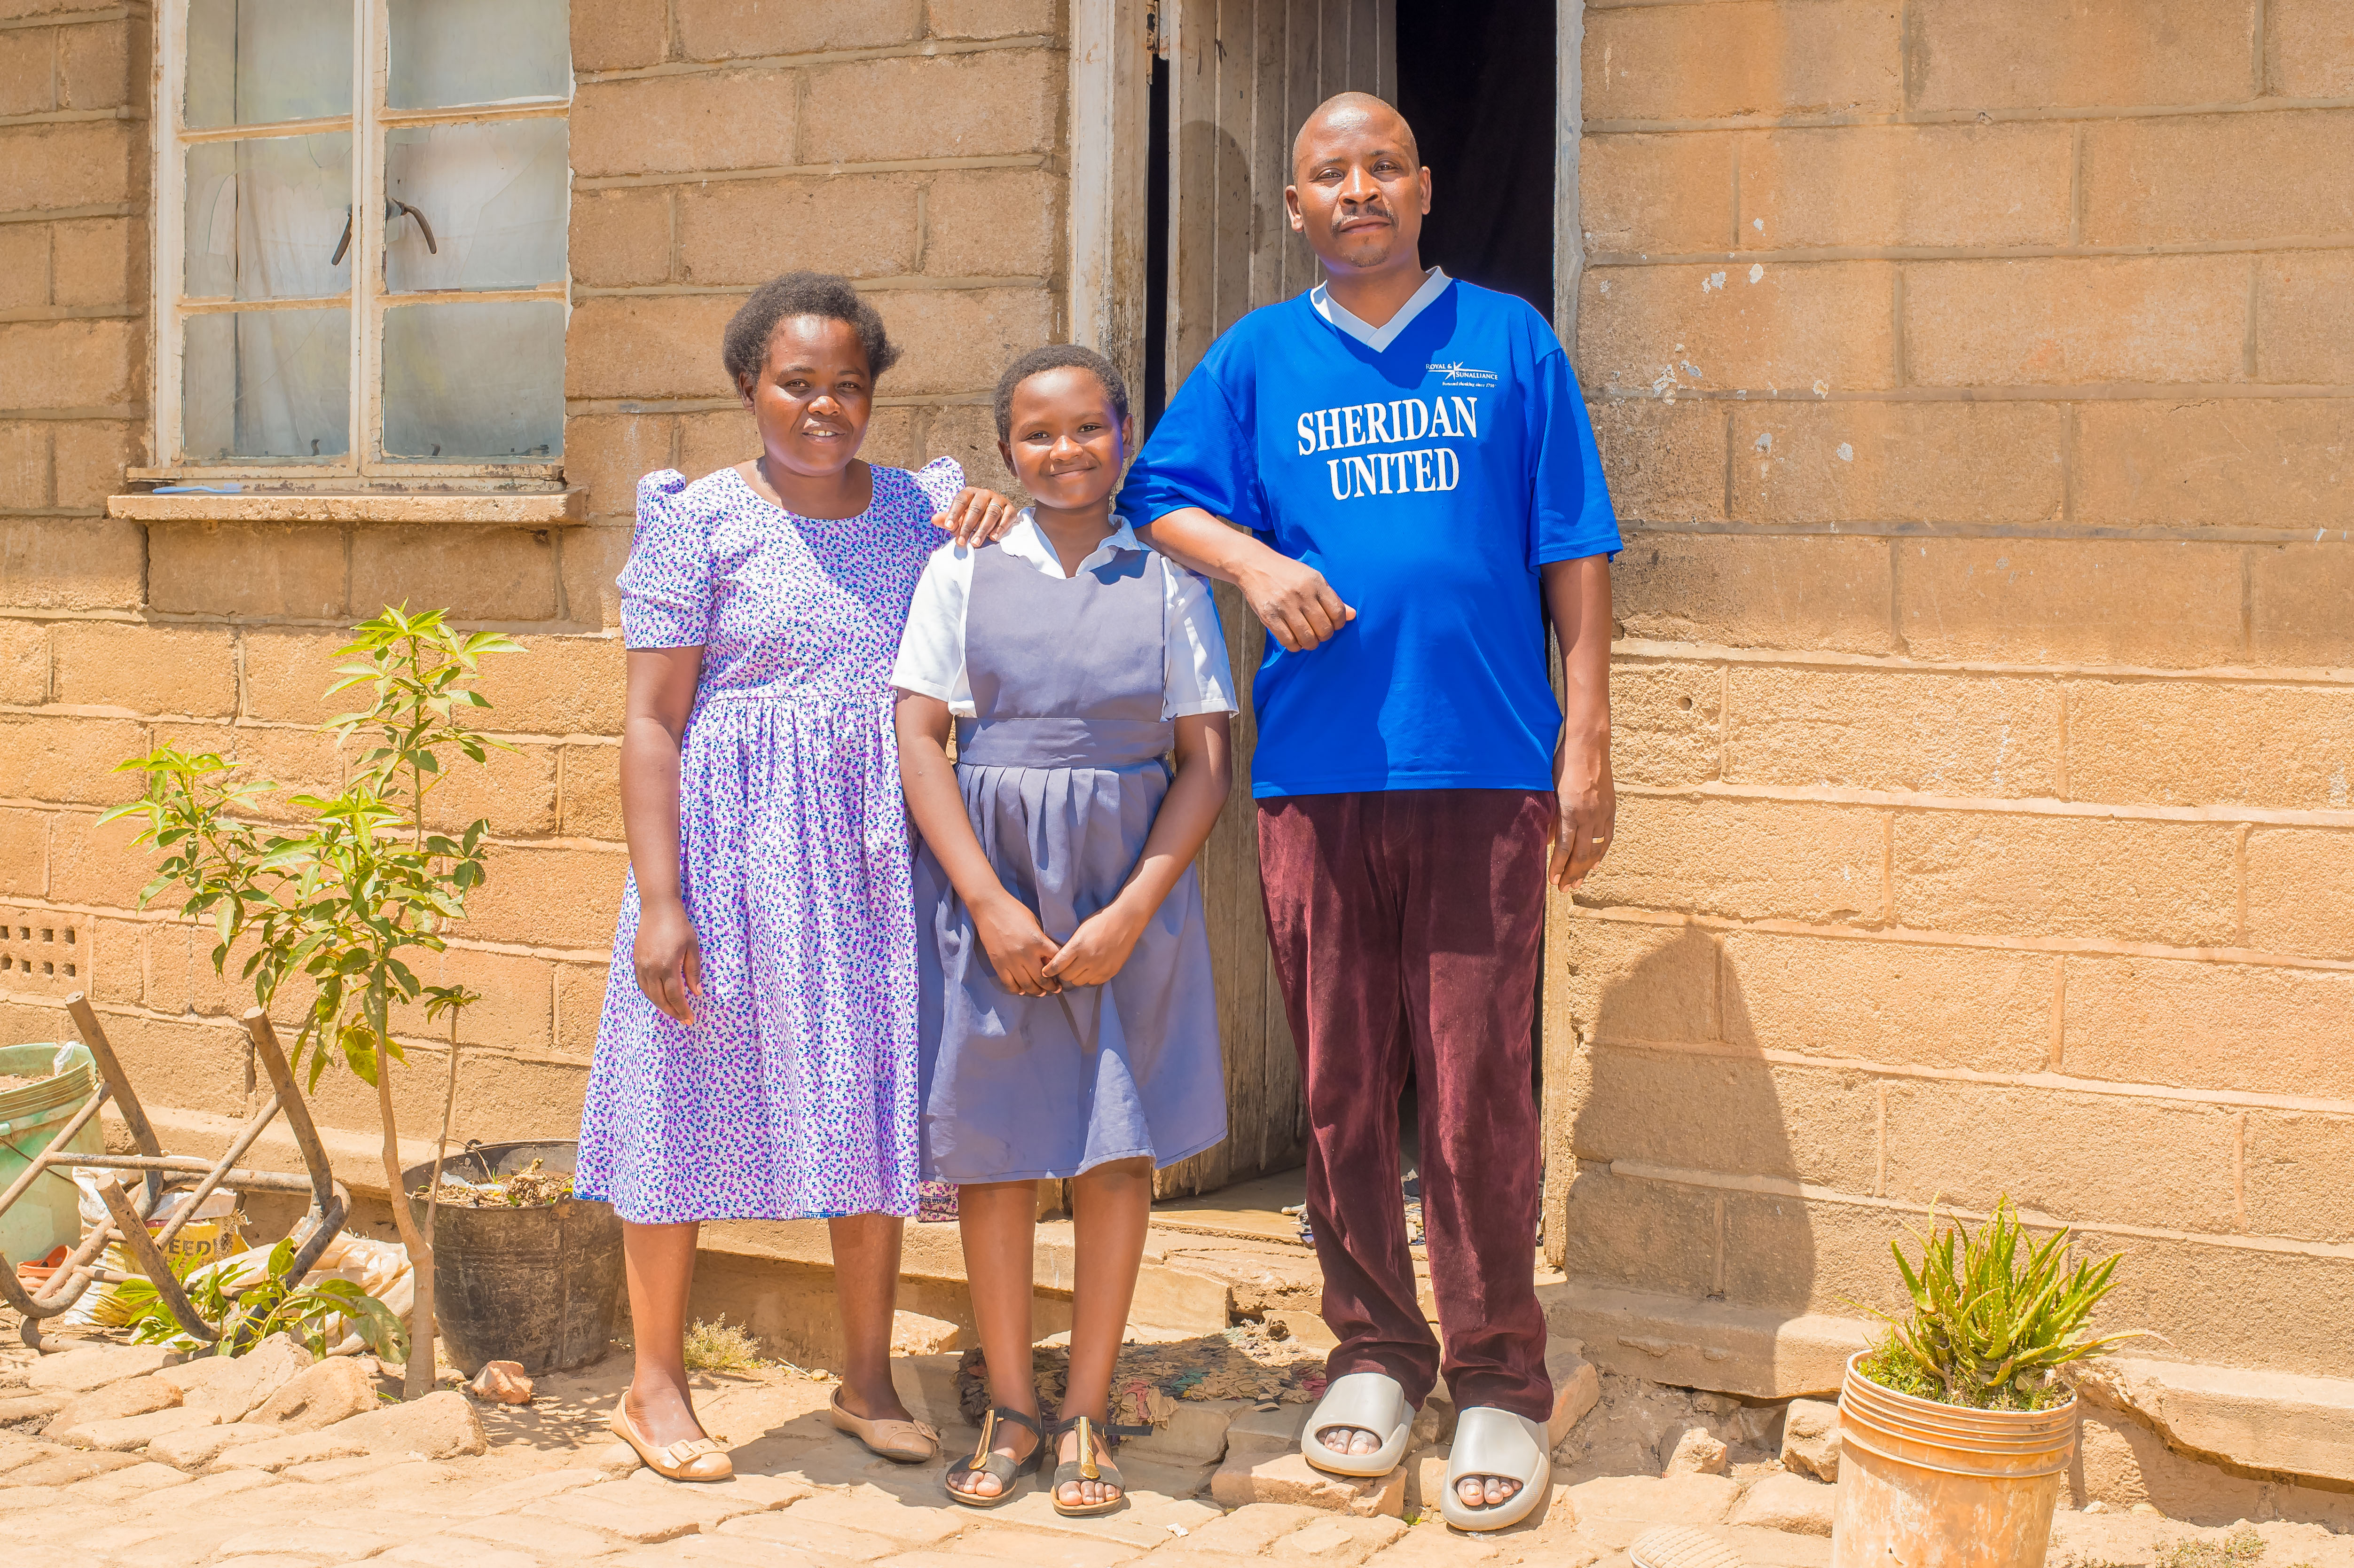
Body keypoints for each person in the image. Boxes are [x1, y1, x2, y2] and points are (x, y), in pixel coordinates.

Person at [1118, 93, 1621, 1532]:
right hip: (1319, 781)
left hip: (1484, 771)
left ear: (1423, 187)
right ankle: (1376, 1353)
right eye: (1328, 172)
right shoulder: (1260, 357)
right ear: (1295, 209)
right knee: (1344, 1085)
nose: (1357, 189)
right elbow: (1159, 493)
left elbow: (1574, 549)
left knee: (1473, 1093)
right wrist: (1259, 567)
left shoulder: (1511, 341)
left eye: (1381, 166)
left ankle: (1500, 1380)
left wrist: (1586, 743)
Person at [575, 271, 1020, 1483]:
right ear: (748, 387)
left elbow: (1004, 585)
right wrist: (660, 901)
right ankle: (653, 1386)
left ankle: (865, 1378)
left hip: (872, 862)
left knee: (869, 1104)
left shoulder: (919, 512)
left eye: (847, 386)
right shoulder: (695, 521)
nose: (824, 407)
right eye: (796, 383)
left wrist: (986, 509)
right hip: (725, 856)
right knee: (679, 1095)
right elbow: (652, 722)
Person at [892, 345, 1236, 1516]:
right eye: (1038, 435)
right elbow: (919, 739)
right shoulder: (963, 568)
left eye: (1088, 429)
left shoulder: (1168, 578)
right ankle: (1010, 1403)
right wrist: (985, 901)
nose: (1065, 452)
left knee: (1110, 1145)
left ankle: (1087, 1406)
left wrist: (1135, 907)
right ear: (1007, 451)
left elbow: (1203, 764)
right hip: (993, 887)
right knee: (995, 1146)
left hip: (1124, 886)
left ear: (1123, 437)